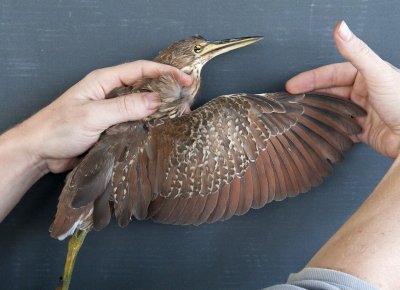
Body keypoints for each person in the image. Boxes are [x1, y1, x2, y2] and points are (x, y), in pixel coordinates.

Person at [0, 20, 399, 289]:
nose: (209, 49)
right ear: (182, 60)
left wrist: (35, 148)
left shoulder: (150, 112)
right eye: (200, 48)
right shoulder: (157, 115)